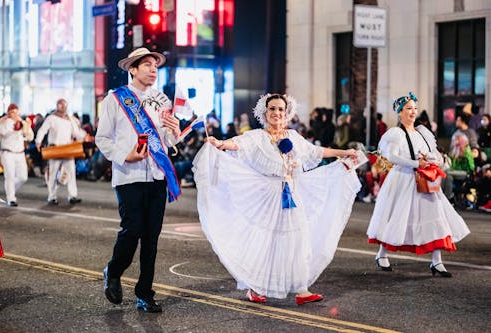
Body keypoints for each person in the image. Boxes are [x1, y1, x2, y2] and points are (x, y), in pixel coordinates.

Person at [193, 93, 361, 305]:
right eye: (272, 109)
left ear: (286, 112)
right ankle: (255, 287)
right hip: (267, 195)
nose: (277, 113)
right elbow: (237, 143)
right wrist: (220, 143)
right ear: (265, 112)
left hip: (291, 193)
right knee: (265, 241)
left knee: (298, 239)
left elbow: (317, 151)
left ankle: (301, 289)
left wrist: (343, 152)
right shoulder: (257, 136)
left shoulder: (293, 136)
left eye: (281, 109)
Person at [95, 47, 181, 313]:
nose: (153, 68)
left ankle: (145, 293)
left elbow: (167, 141)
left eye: (155, 65)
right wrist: (125, 155)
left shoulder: (163, 100)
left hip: (156, 176)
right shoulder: (115, 99)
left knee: (151, 237)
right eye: (146, 64)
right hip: (129, 176)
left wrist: (175, 131)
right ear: (132, 69)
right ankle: (114, 270)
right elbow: (102, 139)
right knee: (132, 231)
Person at [367, 92, 470, 277]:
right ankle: (382, 254)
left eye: (415, 108)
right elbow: (391, 156)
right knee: (396, 217)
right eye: (408, 109)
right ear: (400, 112)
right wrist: (416, 163)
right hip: (403, 180)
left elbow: (434, 153)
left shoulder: (423, 133)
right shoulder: (396, 133)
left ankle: (436, 262)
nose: (413, 112)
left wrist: (435, 160)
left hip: (425, 180)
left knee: (435, 215)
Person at [35, 99, 87, 205]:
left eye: (64, 105)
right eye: (61, 105)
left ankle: (72, 196)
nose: (63, 107)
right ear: (57, 106)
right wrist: (38, 141)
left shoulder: (70, 119)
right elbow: (42, 130)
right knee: (53, 174)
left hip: (68, 149)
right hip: (55, 149)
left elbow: (76, 133)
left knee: (71, 173)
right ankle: (52, 196)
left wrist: (85, 136)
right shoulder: (51, 118)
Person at [0, 104, 34, 206]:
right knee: (10, 176)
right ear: (9, 112)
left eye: (16, 112)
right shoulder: (4, 122)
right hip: (8, 153)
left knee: (23, 177)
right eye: (12, 112)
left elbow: (30, 137)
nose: (15, 114)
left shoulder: (23, 122)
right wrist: (14, 127)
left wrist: (26, 127)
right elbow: (2, 132)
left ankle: (10, 189)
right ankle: (11, 198)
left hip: (20, 153)